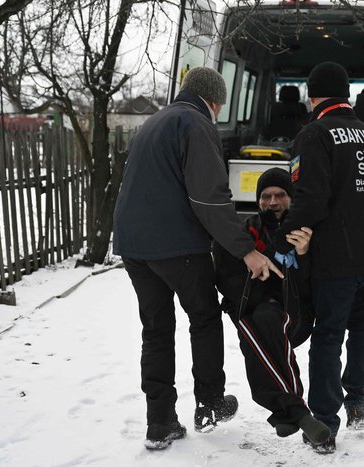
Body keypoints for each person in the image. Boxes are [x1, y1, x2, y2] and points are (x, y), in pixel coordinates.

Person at [113, 67, 282, 450]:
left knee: (155, 330)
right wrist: (246, 250)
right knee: (204, 318)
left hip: (135, 245)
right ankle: (209, 403)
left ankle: (160, 422)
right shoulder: (195, 123)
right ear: (216, 100)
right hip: (177, 245)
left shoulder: (155, 121)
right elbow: (209, 199)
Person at [274, 62, 364, 454]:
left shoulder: (314, 133)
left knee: (329, 334)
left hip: (339, 256)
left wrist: (280, 242)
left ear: (312, 96)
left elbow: (310, 197)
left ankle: (325, 423)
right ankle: (358, 404)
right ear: (346, 94)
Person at [213, 168, 331, 446]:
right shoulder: (245, 231)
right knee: (255, 327)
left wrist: (303, 256)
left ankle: (287, 411)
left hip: (296, 314)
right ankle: (294, 413)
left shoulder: (306, 231)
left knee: (259, 324)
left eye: (280, 195)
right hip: (251, 309)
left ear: (291, 198)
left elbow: (313, 287)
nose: (273, 202)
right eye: (266, 196)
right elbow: (226, 275)